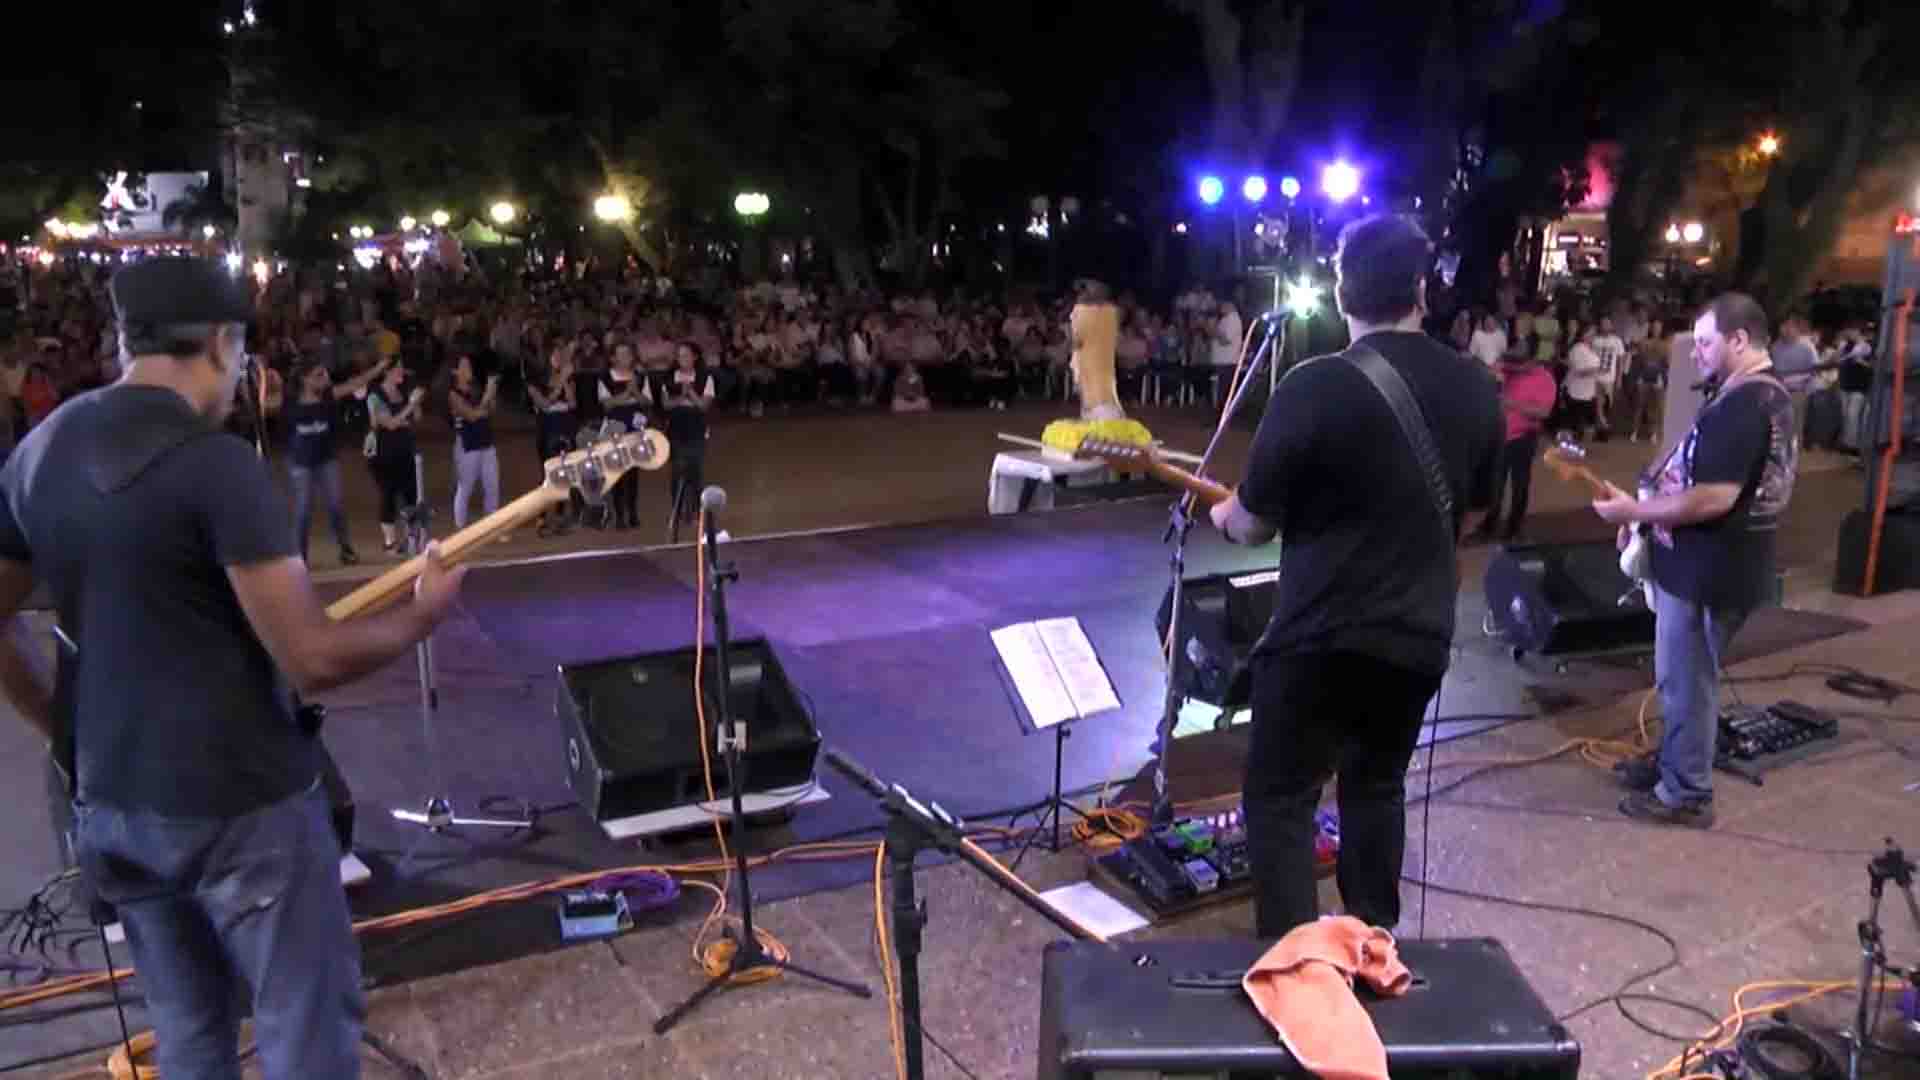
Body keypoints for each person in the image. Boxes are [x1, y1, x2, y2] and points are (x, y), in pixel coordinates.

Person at [0, 258, 466, 1078]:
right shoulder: (215, 466)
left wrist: (60, 725)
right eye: (242, 351)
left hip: (110, 801)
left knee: (188, 1029)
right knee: (304, 1024)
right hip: (240, 804)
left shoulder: (44, 449)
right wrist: (422, 614)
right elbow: (312, 656)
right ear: (221, 342)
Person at [1207, 215, 1502, 937]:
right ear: (1423, 291)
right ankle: (1373, 944)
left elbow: (1250, 524)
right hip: (1417, 634)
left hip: (1317, 635)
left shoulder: (1315, 385)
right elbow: (1475, 513)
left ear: (1341, 292)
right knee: (1376, 786)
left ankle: (1296, 969)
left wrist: (1220, 513)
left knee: (1282, 797)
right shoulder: (1474, 385)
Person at [1592, 292, 1798, 828]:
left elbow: (1713, 497)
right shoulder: (1759, 396)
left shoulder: (1744, 404)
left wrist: (1635, 509)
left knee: (1686, 681)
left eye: (1706, 342)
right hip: (1716, 566)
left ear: (1739, 340)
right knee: (1683, 678)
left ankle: (1684, 792)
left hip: (1710, 571)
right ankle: (1676, 764)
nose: (1697, 353)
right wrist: (1644, 511)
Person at [272, 353, 395, 565]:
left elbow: (356, 383)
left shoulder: (329, 395)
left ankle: (345, 549)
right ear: (305, 379)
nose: (325, 377)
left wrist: (378, 367)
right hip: (300, 463)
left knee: (336, 506)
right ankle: (300, 556)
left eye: (324, 373)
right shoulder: (288, 401)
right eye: (319, 374)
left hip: (326, 459)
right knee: (303, 511)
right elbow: (259, 403)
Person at [1481, 348, 1557, 543]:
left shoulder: (1544, 379)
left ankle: (1514, 528)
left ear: (1532, 361)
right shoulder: (1509, 369)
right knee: (1495, 483)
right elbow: (1487, 370)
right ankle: (1489, 524)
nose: (1515, 368)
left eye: (1520, 364)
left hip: (1524, 438)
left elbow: (1543, 413)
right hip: (1500, 436)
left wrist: (1513, 405)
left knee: (1519, 483)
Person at [366, 360, 426, 554]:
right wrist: (410, 405)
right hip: (383, 454)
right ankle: (389, 542)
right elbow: (390, 424)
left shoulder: (404, 392)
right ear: (387, 372)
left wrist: (415, 405)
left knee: (411, 494)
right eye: (398, 369)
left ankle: (411, 538)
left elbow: (416, 418)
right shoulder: (374, 396)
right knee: (388, 494)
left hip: (404, 450)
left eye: (402, 368)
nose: (402, 372)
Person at [447, 353, 501, 530]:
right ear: (455, 371)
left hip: (486, 442)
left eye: (469, 365)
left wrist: (491, 395)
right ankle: (461, 529)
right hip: (468, 445)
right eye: (464, 366)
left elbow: (489, 411)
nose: (469, 369)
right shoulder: (453, 394)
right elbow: (470, 415)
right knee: (466, 488)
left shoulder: (476, 388)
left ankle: (491, 527)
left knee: (492, 486)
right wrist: (486, 398)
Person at [597, 344, 646, 529]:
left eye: (628, 353)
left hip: (634, 426)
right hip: (614, 427)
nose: (626, 357)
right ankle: (618, 515)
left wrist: (633, 394)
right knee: (617, 471)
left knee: (633, 471)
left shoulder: (640, 376)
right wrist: (629, 393)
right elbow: (607, 405)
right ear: (613, 358)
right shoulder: (604, 377)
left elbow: (647, 401)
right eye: (621, 354)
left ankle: (632, 512)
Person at [1563, 324, 1603, 441]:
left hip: (1588, 392)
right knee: (1575, 424)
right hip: (1576, 392)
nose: (1593, 335)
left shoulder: (1591, 350)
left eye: (1594, 333)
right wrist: (1595, 370)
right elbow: (1578, 371)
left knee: (1587, 425)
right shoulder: (1577, 349)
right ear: (1583, 334)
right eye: (1590, 332)